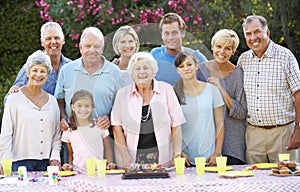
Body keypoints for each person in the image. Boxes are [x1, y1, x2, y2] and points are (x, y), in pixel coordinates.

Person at [237, 15, 300, 164]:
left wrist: (298, 129)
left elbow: (298, 94)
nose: (253, 38)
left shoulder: (285, 57)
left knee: (285, 182)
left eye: (257, 31)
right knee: (254, 184)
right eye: (248, 34)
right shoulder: (243, 60)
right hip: (253, 134)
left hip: (282, 133)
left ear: (267, 32)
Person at [111, 52, 185, 168]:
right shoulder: (122, 94)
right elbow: (116, 128)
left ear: (153, 71)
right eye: (137, 69)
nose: (142, 72)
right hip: (131, 161)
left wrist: (176, 155)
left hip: (163, 159)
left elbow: (176, 125)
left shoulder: (167, 90)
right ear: (131, 73)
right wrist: (125, 157)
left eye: (146, 68)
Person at [0, 50, 61, 172]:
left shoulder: (53, 101)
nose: (38, 75)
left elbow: (57, 135)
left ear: (47, 75)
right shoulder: (14, 99)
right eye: (34, 70)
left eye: (43, 71)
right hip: (18, 164)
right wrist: (4, 162)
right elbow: (6, 134)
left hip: (46, 165)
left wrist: (55, 158)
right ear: (27, 73)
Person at [55, 27, 123, 132]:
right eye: (87, 46)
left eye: (96, 46)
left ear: (102, 48)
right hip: (73, 136)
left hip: (105, 137)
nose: (92, 50)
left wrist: (109, 117)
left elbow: (121, 104)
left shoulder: (115, 72)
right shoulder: (66, 70)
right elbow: (59, 100)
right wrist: (62, 117)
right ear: (80, 47)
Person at [198, 29, 247, 165]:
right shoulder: (200, 70)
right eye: (219, 46)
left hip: (232, 144)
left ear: (233, 51)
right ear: (212, 46)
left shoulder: (238, 74)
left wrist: (220, 87)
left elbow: (241, 112)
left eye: (228, 48)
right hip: (205, 142)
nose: (222, 51)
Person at [174, 51, 225, 166]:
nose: (186, 68)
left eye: (189, 64)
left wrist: (217, 152)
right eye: (181, 66)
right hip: (185, 160)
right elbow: (170, 127)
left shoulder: (212, 90)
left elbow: (220, 123)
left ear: (196, 66)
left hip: (210, 159)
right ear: (177, 70)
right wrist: (178, 153)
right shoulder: (174, 93)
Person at [4, 21, 71, 102]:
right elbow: (9, 99)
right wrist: (14, 94)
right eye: (48, 38)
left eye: (57, 38)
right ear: (42, 42)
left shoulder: (71, 67)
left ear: (63, 40)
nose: (53, 42)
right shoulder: (31, 66)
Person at [61, 90, 115, 173]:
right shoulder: (69, 129)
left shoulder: (99, 126)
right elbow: (70, 153)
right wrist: (69, 167)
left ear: (92, 107)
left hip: (98, 172)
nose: (83, 109)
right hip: (78, 172)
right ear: (72, 107)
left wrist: (109, 164)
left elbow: (108, 148)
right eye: (79, 105)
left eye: (87, 106)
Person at [150, 12, 207, 86]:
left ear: (182, 33)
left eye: (174, 33)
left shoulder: (197, 57)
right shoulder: (154, 55)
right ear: (162, 35)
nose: (170, 37)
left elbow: (212, 85)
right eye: (166, 33)